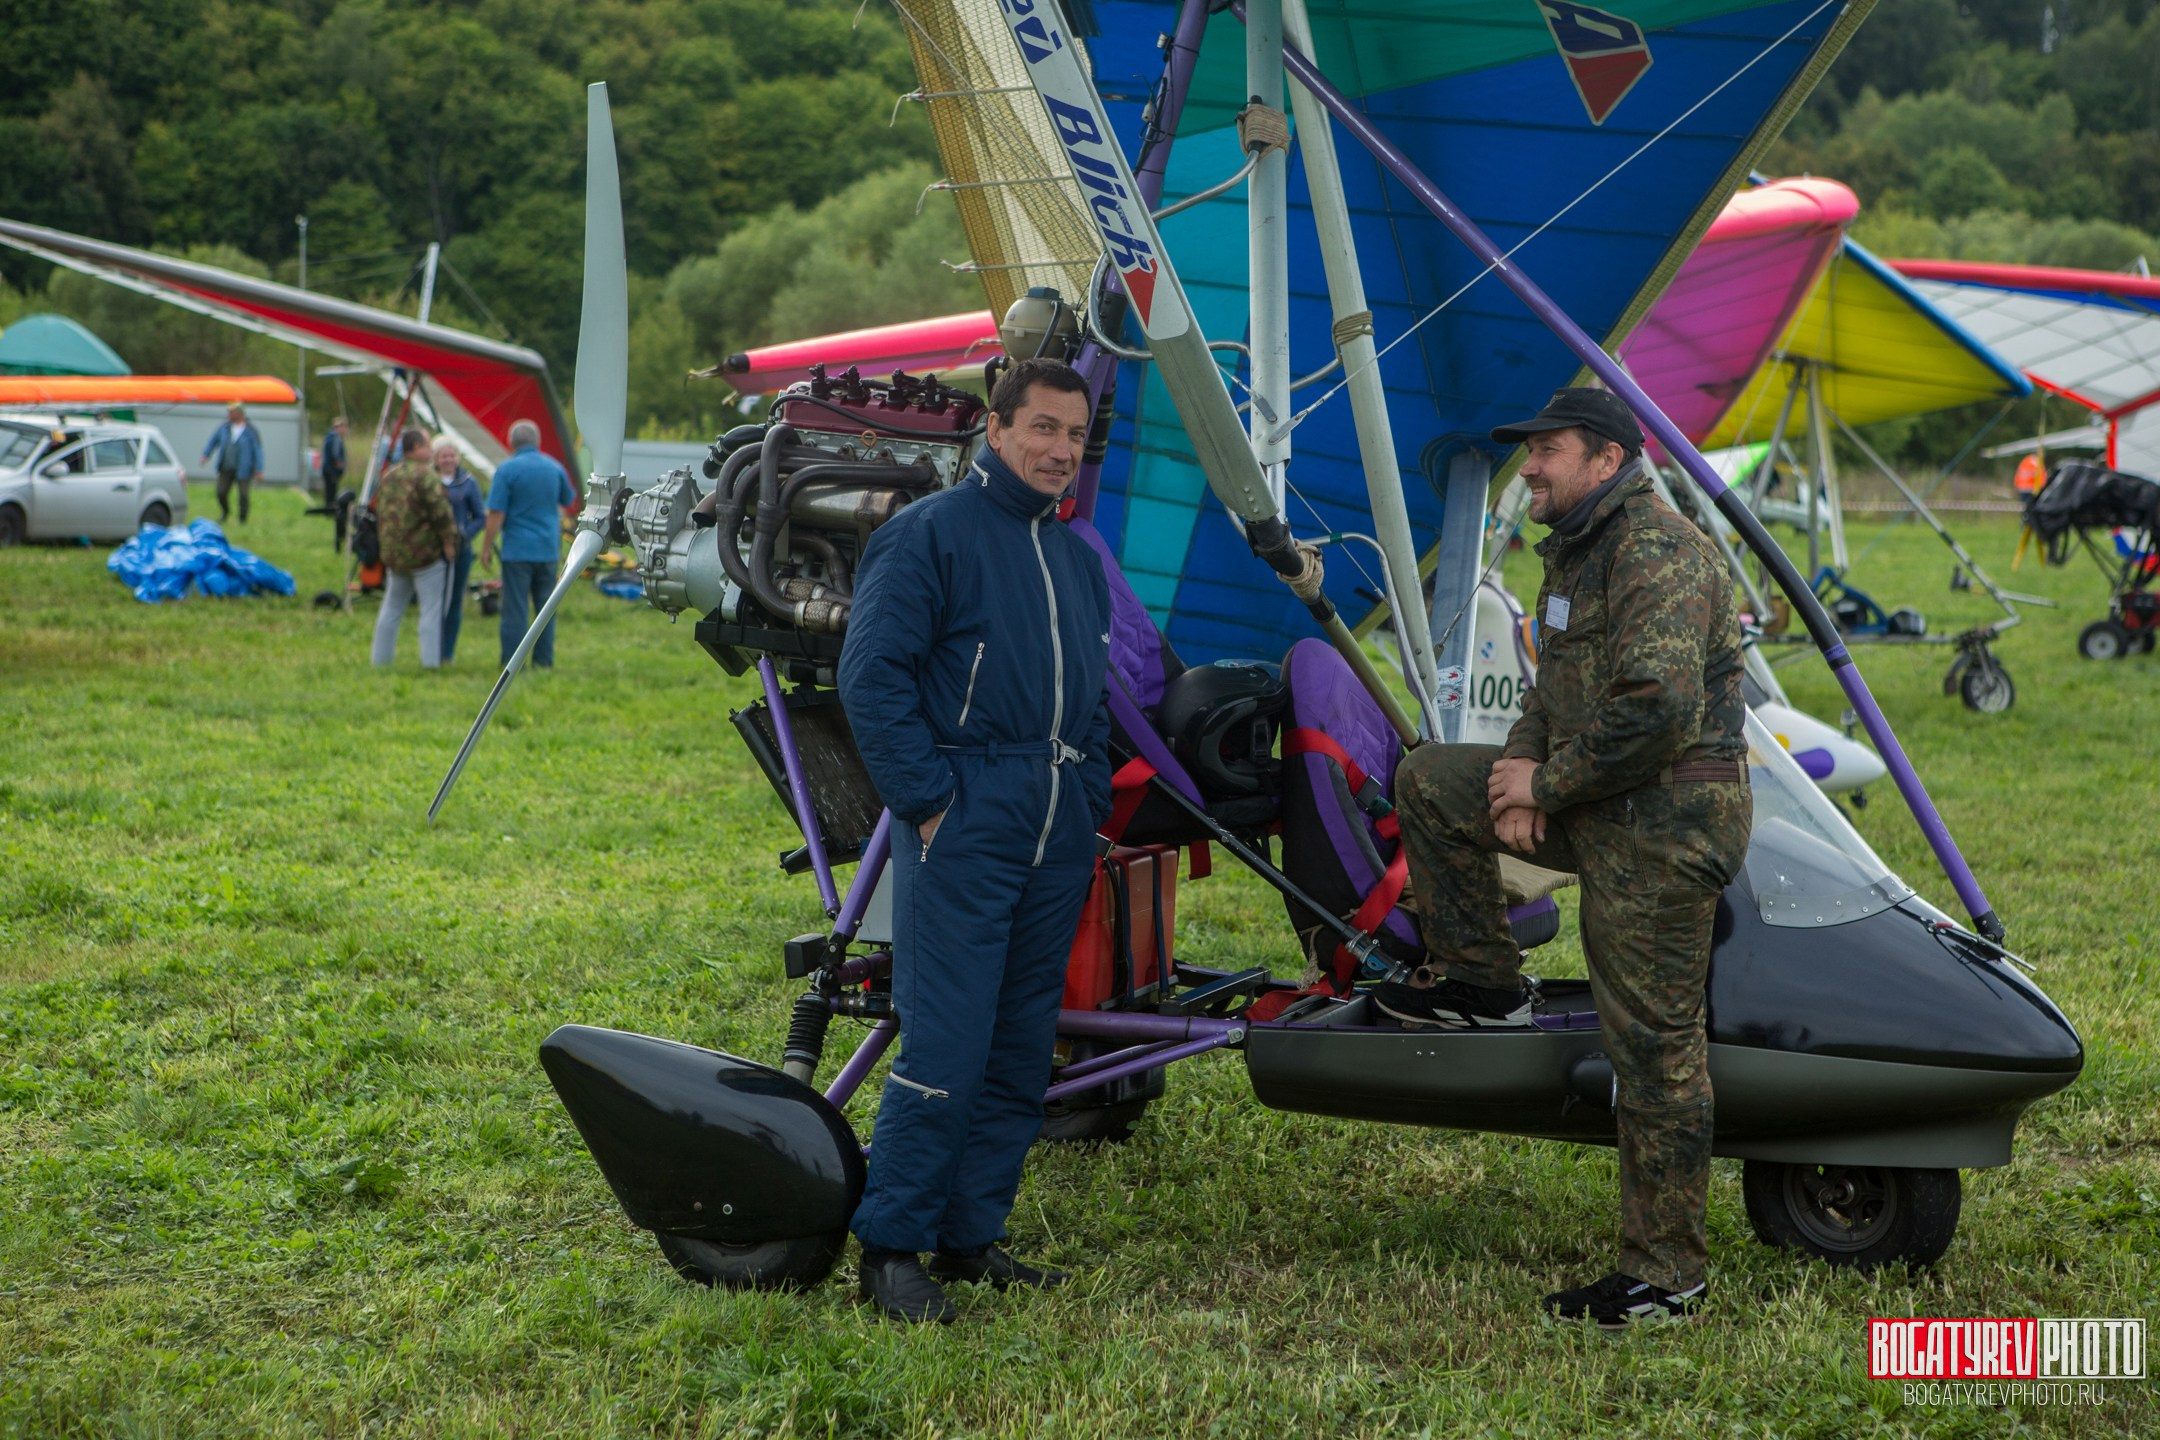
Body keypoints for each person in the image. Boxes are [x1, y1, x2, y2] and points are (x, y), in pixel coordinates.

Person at [1381, 387, 1750, 1329]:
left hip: (1668, 817)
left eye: (1546, 449)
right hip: (1600, 793)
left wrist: (1544, 790)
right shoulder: (1577, 556)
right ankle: (1483, 980)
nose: (1530, 467)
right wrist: (1514, 770)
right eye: (1531, 450)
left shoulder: (1655, 550)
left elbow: (1657, 709)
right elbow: (1554, 686)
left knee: (1654, 1046)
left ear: (1607, 458)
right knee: (1431, 778)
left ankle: (1666, 1276)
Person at [837, 357, 1112, 1324]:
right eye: (1042, 429)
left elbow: (1097, 698)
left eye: (1074, 436)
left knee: (1017, 1048)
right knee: (946, 1040)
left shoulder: (1079, 559)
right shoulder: (928, 536)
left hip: (1054, 824)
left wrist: (1088, 796)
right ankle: (891, 1245)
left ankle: (969, 1237)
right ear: (995, 432)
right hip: (967, 814)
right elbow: (871, 678)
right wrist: (929, 799)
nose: (1060, 452)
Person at [481, 419, 577, 669]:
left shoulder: (507, 470)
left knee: (515, 609)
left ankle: (513, 662)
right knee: (546, 609)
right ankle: (544, 662)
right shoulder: (554, 467)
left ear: (512, 443)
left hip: (517, 551)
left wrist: (486, 547)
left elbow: (496, 513)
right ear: (538, 441)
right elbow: (569, 499)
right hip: (547, 549)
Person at [369, 428, 460, 669]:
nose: (431, 451)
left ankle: (380, 661)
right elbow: (441, 513)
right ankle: (430, 664)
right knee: (430, 611)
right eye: (428, 445)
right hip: (424, 556)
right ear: (416, 448)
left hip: (395, 555)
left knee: (392, 608)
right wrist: (450, 541)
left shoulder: (389, 475)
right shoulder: (426, 476)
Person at [433, 437, 485, 663]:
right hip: (432, 550)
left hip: (460, 549)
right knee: (433, 601)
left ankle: (447, 653)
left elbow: (480, 516)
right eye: (444, 456)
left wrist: (465, 534)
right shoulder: (429, 481)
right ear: (436, 459)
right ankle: (431, 650)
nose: (448, 460)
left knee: (454, 600)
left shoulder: (468, 482)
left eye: (452, 455)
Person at [201, 403, 265, 524]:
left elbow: (258, 450)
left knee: (243, 496)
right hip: (226, 466)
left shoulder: (251, 430)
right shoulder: (224, 427)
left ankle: (242, 519)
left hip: (244, 468)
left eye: (232, 412)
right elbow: (213, 441)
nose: (229, 414)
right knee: (221, 492)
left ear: (240, 413)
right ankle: (225, 513)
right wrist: (206, 455)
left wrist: (259, 469)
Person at [321, 416, 349, 506]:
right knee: (331, 490)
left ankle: (328, 507)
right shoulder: (336, 438)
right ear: (339, 427)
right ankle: (330, 508)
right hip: (332, 470)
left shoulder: (329, 436)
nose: (346, 429)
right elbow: (335, 454)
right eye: (344, 427)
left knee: (329, 491)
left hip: (327, 469)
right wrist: (340, 465)